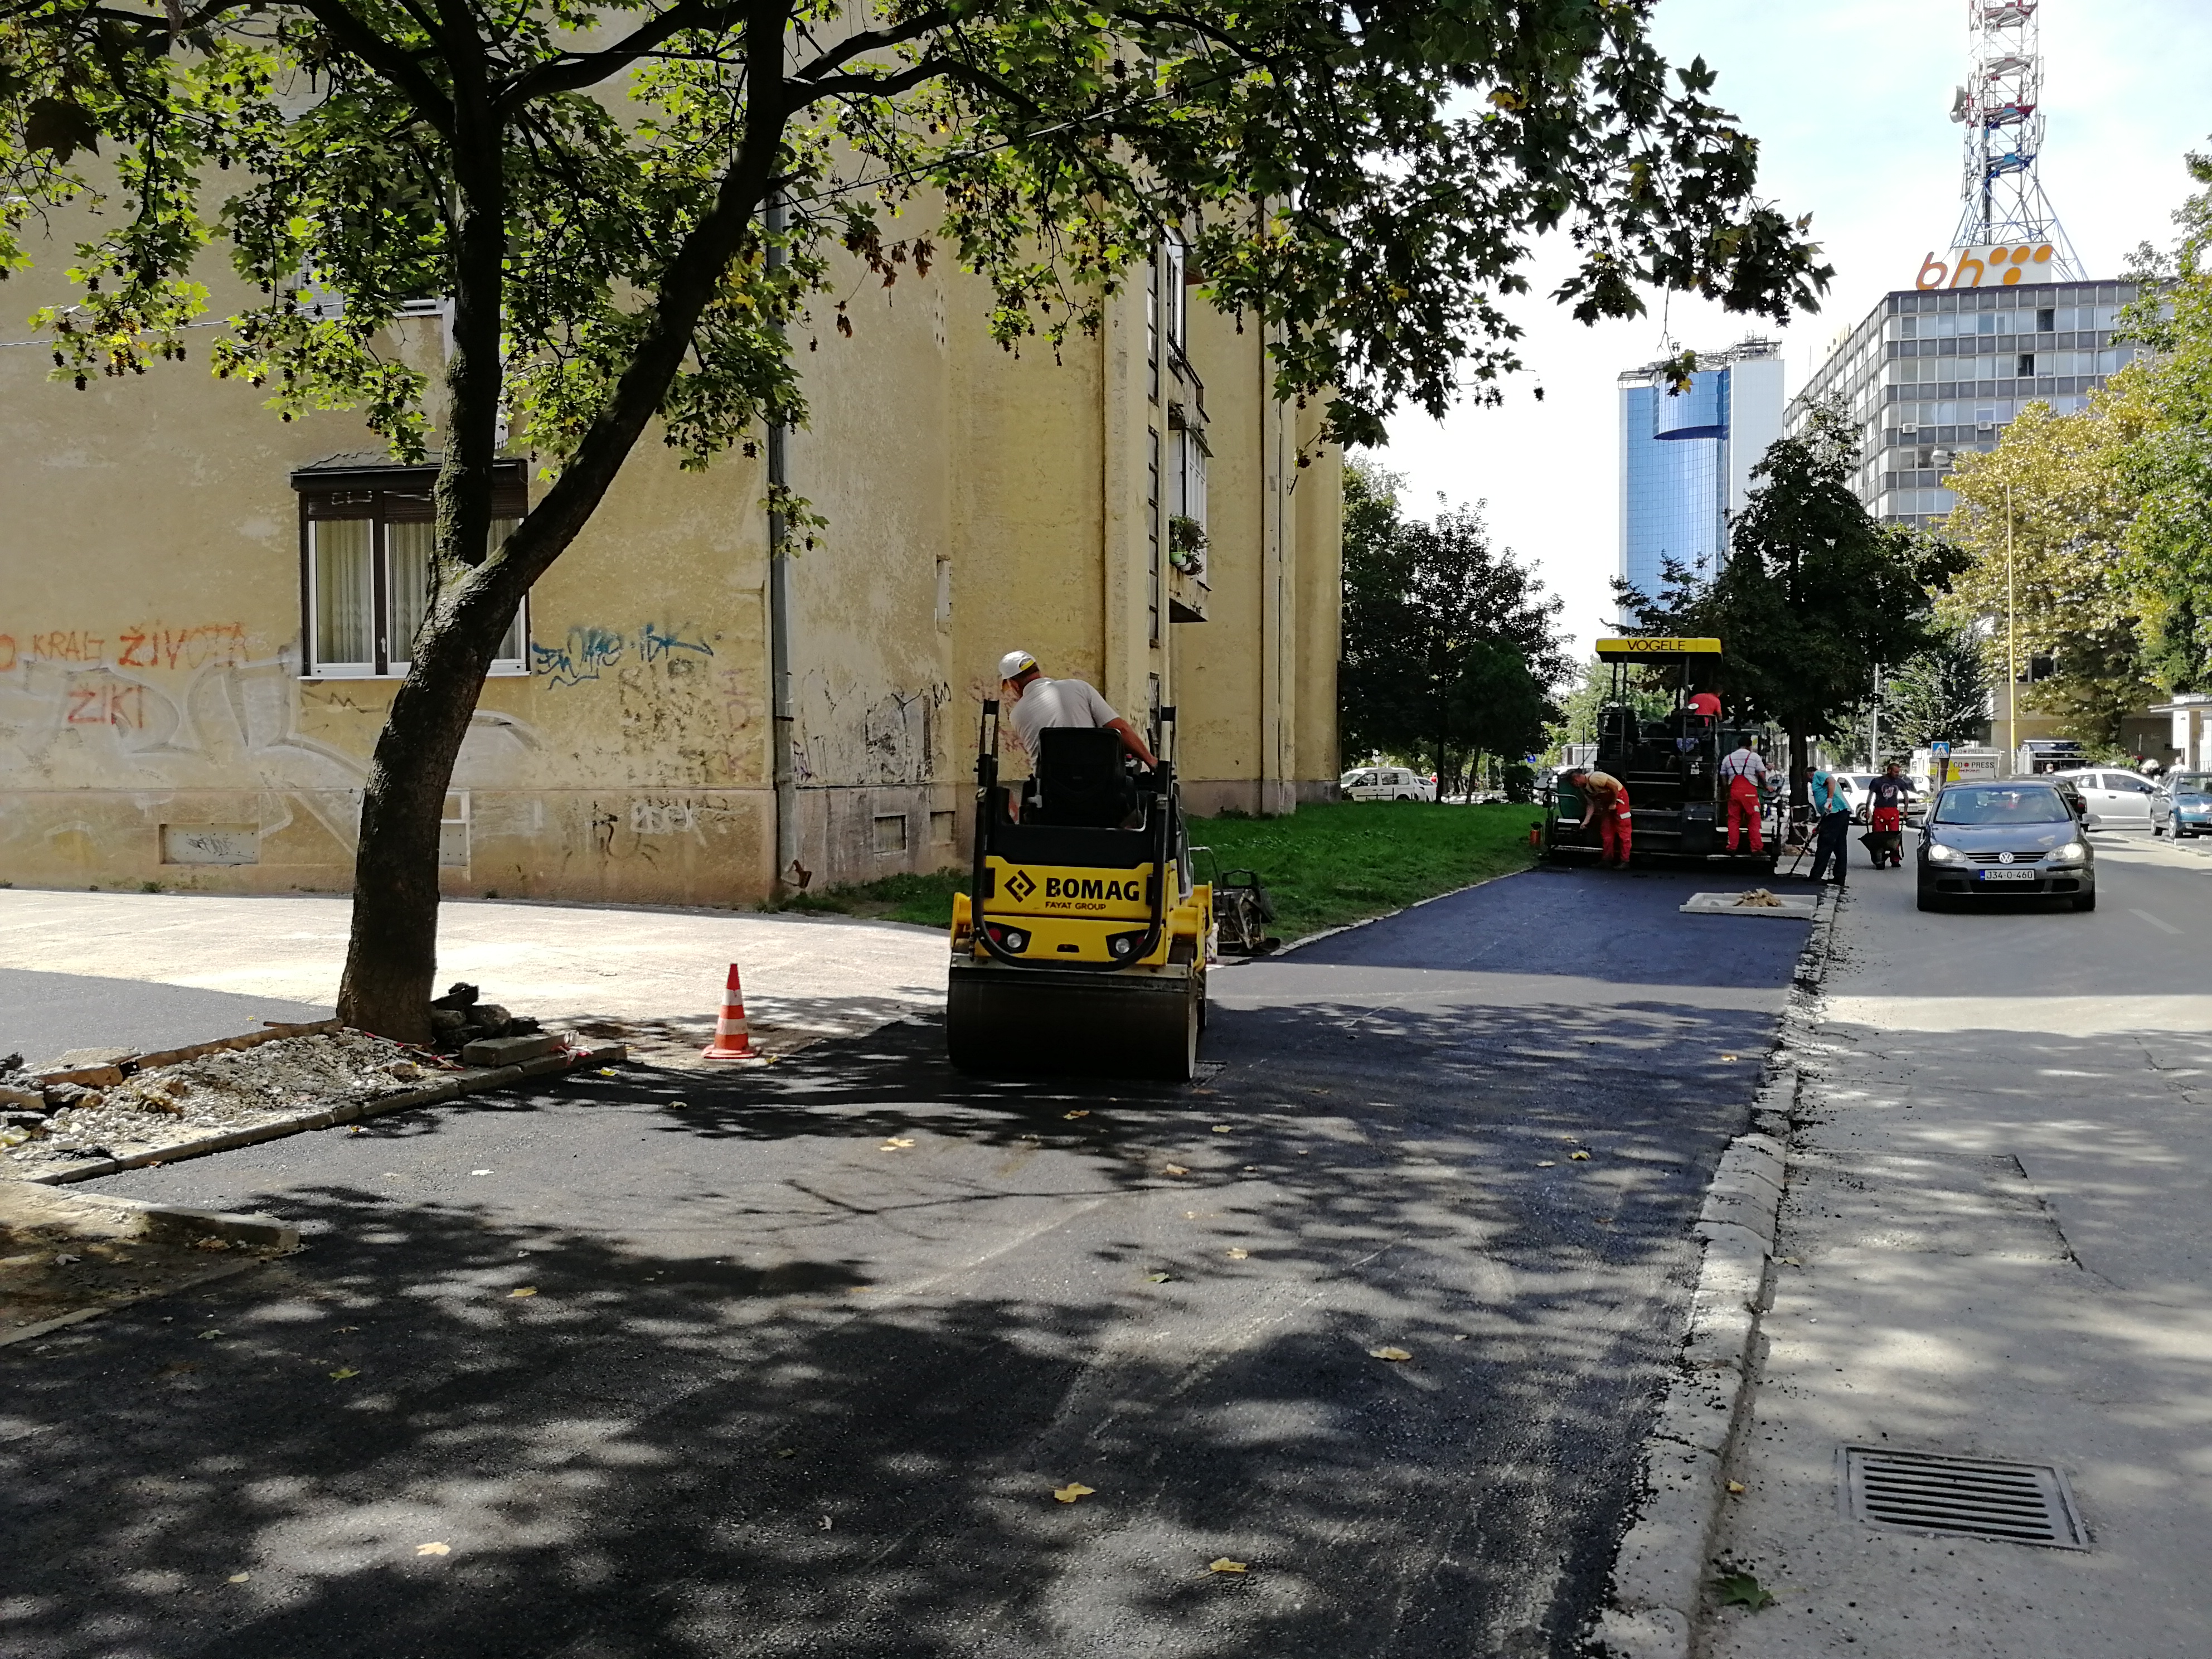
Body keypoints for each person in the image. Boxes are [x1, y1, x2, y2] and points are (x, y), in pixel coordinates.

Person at [997, 650, 1157, 767]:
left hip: (1052, 796)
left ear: (1014, 684)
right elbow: (1120, 728)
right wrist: (1151, 761)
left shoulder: (1017, 715)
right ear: (1038, 671)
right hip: (1101, 790)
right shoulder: (1078, 687)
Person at [1564, 768, 1633, 868]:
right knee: (1606, 830)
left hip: (1619, 800)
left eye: (1573, 783)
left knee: (1624, 831)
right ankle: (1607, 859)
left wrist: (1614, 804)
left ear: (1576, 779)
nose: (1574, 786)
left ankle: (1625, 861)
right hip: (1606, 804)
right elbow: (1591, 805)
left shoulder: (1595, 778)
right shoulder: (1584, 789)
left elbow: (1614, 787)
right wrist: (1586, 821)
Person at [1719, 734, 1768, 853]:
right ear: (1749, 746)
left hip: (1734, 792)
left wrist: (1727, 793)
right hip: (1750, 793)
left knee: (1733, 820)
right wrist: (1766, 787)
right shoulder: (1754, 757)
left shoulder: (1728, 758)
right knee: (1754, 819)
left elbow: (1724, 779)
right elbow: (1761, 774)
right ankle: (1756, 848)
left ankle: (1732, 847)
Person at [1808, 767, 1851, 886]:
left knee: (1825, 844)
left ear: (1809, 774)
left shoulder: (1818, 774)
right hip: (1838, 813)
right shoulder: (1817, 779)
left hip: (1836, 812)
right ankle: (1839, 877)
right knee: (1839, 846)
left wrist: (1829, 800)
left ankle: (1816, 875)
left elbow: (1831, 781)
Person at [1864, 761, 1913, 867]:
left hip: (1893, 811)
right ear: (1889, 770)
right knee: (1878, 837)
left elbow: (1906, 796)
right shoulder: (1877, 782)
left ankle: (1895, 860)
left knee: (1894, 836)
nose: (1897, 774)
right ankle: (1879, 860)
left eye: (1898, 772)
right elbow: (1870, 796)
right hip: (1879, 811)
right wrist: (1867, 810)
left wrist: (1905, 810)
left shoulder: (1900, 782)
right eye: (1895, 772)